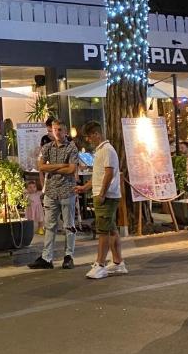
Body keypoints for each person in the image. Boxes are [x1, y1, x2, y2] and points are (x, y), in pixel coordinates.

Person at [77, 121, 127, 280]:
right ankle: (118, 262)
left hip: (106, 196)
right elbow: (99, 175)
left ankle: (100, 264)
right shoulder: (101, 151)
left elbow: (109, 173)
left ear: (96, 134)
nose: (88, 140)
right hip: (102, 194)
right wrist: (85, 187)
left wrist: (103, 193)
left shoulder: (107, 150)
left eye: (89, 136)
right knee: (110, 229)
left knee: (103, 231)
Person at [29, 119, 80, 270]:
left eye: (59, 130)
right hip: (51, 191)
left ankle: (68, 256)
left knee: (68, 225)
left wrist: (51, 167)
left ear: (65, 131)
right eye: (54, 129)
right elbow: (41, 166)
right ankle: (46, 257)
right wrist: (61, 165)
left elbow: (71, 170)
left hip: (66, 191)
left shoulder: (72, 148)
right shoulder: (47, 147)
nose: (56, 132)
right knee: (49, 225)